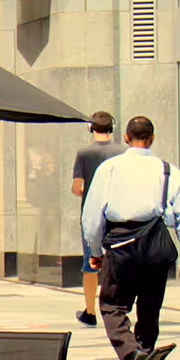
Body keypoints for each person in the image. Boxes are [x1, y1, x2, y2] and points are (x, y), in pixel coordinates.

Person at [81, 115, 180, 360]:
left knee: (113, 307)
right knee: (149, 312)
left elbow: (91, 218)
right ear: (152, 139)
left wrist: (95, 251)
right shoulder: (168, 171)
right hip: (155, 247)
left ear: (126, 138)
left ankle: (132, 354)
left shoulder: (109, 169)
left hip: (120, 245)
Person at [71, 111, 127, 328]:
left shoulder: (83, 153)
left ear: (91, 129)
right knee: (119, 262)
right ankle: (118, 307)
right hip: (118, 215)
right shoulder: (123, 152)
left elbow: (77, 188)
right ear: (112, 128)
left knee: (91, 262)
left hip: (91, 214)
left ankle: (90, 311)